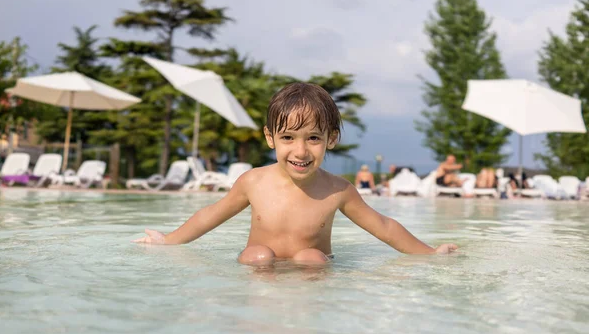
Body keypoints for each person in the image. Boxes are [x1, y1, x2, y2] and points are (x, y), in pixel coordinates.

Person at [134, 82, 458, 264]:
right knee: (257, 256)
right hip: (260, 266)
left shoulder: (338, 190)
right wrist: (169, 241)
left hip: (314, 268)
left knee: (312, 259)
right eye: (288, 138)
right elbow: (210, 215)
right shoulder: (254, 182)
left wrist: (430, 253)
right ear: (269, 137)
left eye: (313, 138)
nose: (300, 151)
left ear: (331, 139)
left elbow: (383, 227)